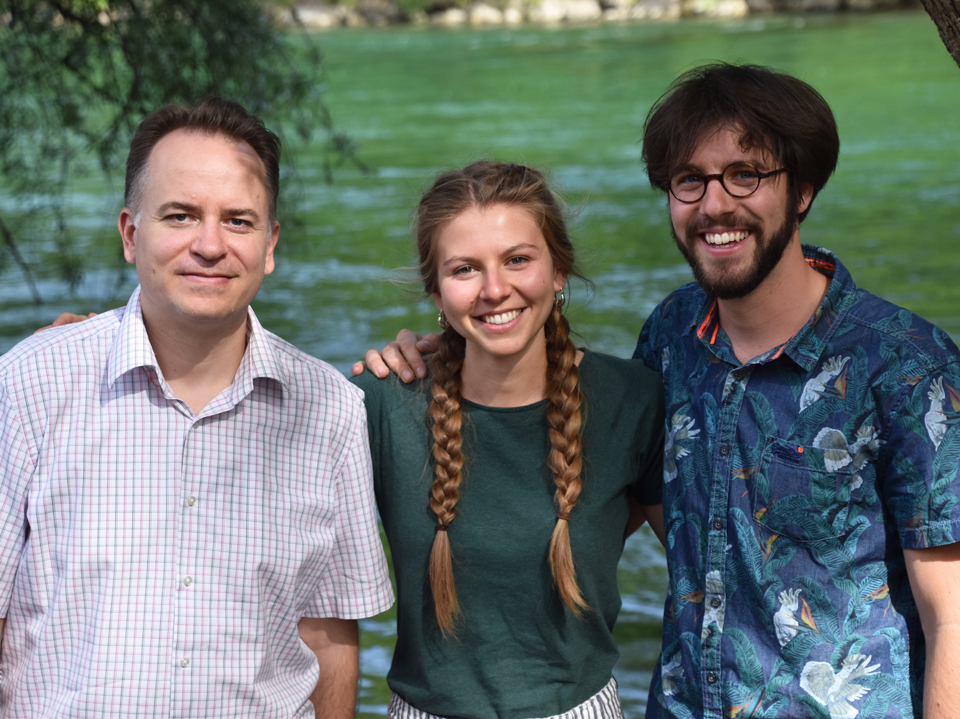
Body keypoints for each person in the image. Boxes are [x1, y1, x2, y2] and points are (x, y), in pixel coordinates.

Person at [361, 64, 960, 719]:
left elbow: (951, 614)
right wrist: (444, 352)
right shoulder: (671, 339)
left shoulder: (906, 364)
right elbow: (580, 512)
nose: (715, 204)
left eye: (746, 174)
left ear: (804, 189)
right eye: (689, 180)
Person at [0, 98, 394, 718]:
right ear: (131, 233)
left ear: (269, 245)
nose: (210, 246)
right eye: (181, 216)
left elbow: (328, 634)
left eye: (238, 221)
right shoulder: (31, 385)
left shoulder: (330, 411)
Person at [352, 161, 665, 719]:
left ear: (559, 270)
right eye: (465, 269)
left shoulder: (633, 401)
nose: (496, 290)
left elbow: (706, 571)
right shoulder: (381, 404)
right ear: (436, 291)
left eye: (518, 260)